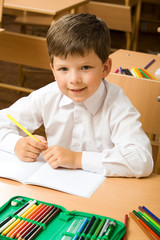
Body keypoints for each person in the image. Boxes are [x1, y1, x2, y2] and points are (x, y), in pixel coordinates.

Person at [0, 13, 153, 177]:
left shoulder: (116, 104)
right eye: (63, 69)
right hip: (55, 186)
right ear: (53, 70)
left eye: (85, 67)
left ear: (105, 68)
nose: (74, 80)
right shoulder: (48, 95)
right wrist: (16, 144)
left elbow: (142, 160)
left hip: (102, 192)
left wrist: (77, 159)